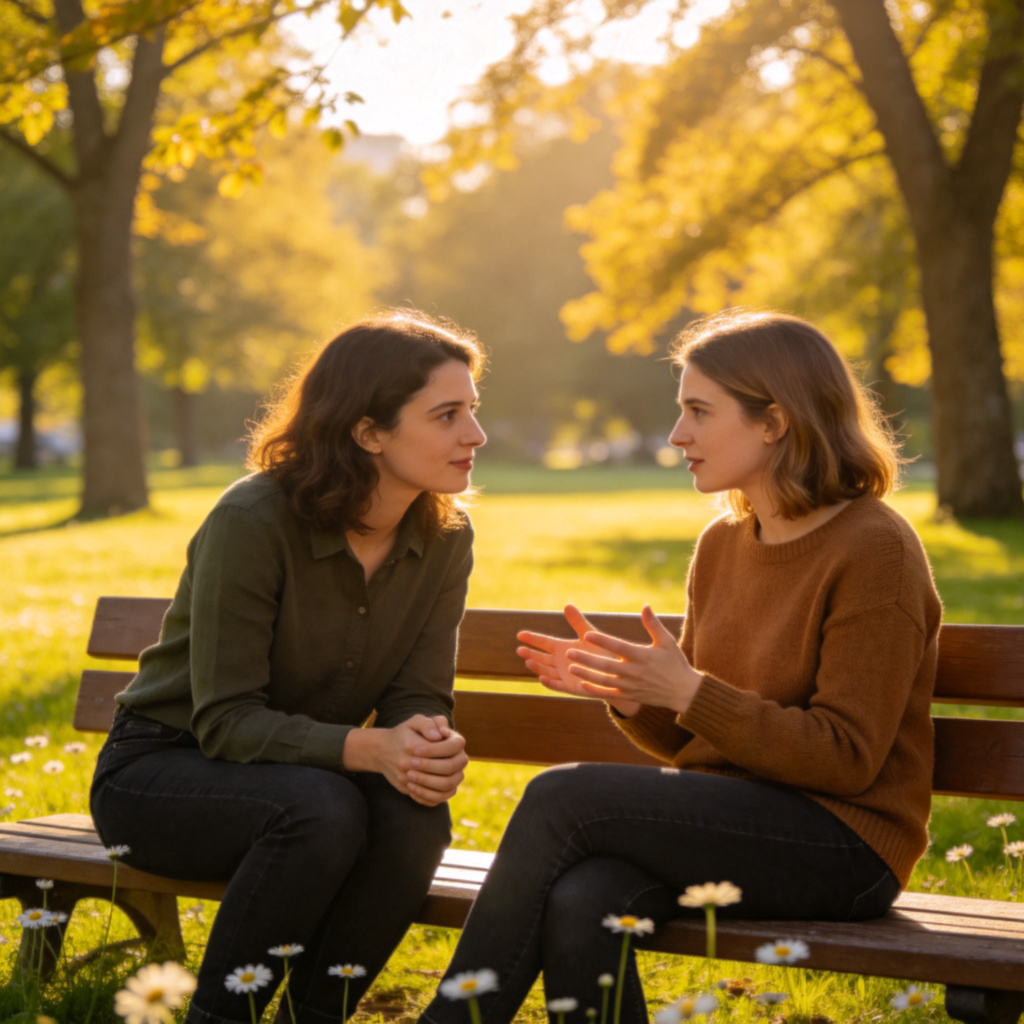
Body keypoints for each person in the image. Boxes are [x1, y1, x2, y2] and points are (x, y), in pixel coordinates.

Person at [419, 309, 942, 1024]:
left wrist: (691, 691)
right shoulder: (723, 543)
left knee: (560, 797)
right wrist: (635, 695)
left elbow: (847, 758)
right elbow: (700, 738)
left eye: (699, 411)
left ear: (774, 422)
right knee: (585, 897)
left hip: (842, 846)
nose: (677, 436)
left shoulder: (875, 548)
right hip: (739, 826)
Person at [90, 310, 487, 1024]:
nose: (475, 436)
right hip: (162, 774)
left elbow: (419, 692)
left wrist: (425, 746)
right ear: (368, 432)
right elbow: (225, 721)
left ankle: (317, 1014)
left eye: (473, 411)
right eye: (447, 415)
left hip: (305, 777)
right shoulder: (254, 519)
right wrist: (371, 748)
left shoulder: (445, 535)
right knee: (319, 810)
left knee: (416, 820)